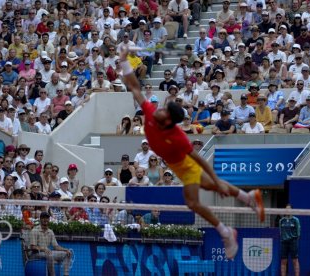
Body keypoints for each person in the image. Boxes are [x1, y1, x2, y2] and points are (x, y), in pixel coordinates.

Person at [120, 46, 264, 260]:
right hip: (175, 165)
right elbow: (132, 85)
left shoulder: (178, 137)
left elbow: (200, 160)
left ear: (169, 120)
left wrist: (216, 178)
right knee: (211, 185)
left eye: (165, 111)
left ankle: (226, 232)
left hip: (184, 167)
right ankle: (249, 196)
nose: (160, 110)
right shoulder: (151, 111)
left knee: (193, 203)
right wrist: (124, 60)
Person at [30, 212, 72, 276]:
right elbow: (33, 247)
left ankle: (66, 274)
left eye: (47, 218)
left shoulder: (50, 231)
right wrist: (44, 249)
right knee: (50, 255)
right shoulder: (34, 230)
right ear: (40, 219)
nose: (45, 219)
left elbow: (56, 246)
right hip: (36, 254)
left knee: (67, 254)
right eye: (43, 218)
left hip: (47, 252)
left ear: (49, 219)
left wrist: (65, 250)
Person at [280, 204, 300, 276]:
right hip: (284, 243)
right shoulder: (281, 221)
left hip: (293, 242)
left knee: (295, 261)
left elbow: (298, 234)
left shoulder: (296, 220)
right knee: (283, 261)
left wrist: (293, 239)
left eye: (289, 209)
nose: (287, 210)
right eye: (286, 209)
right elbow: (280, 232)